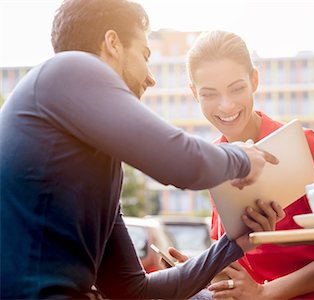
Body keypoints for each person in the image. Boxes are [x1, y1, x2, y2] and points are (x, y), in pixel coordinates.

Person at [0, 1, 284, 299]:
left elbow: (133, 290)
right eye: (144, 55)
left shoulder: (97, 165)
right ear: (112, 44)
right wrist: (243, 159)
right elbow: (182, 162)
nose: (150, 77)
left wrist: (233, 244)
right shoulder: (68, 68)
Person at [185, 30, 314, 299]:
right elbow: (232, 266)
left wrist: (263, 292)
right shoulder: (216, 158)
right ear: (194, 93)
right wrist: (193, 271)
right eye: (209, 94)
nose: (226, 104)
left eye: (237, 88)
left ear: (254, 80)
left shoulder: (300, 144)